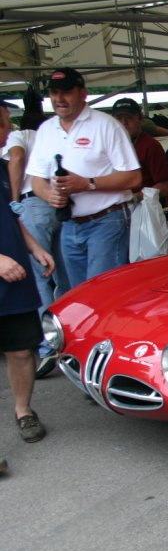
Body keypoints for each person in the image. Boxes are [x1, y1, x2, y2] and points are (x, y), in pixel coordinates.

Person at [26, 68, 141, 290]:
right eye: (54, 92)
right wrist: (50, 195)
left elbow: (134, 177)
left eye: (66, 92)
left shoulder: (106, 125)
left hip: (106, 220)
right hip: (68, 223)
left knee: (102, 293)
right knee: (78, 296)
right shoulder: (46, 130)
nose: (59, 98)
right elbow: (36, 180)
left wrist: (87, 183)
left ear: (83, 93)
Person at [1, 100, 56, 445]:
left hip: (16, 272)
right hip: (4, 266)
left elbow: (10, 216)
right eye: (1, 124)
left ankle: (24, 411)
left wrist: (35, 247)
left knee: (22, 350)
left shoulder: (1, 167)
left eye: (6, 123)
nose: (7, 131)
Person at [3, 109, 68, 379]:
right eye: (3, 124)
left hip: (34, 205)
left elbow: (16, 156)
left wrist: (14, 201)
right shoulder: (43, 137)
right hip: (51, 205)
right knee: (59, 277)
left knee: (42, 278)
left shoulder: (16, 142)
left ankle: (49, 343)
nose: (8, 129)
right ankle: (61, 340)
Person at [110, 98, 168, 201]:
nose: (124, 122)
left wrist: (134, 198)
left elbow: (165, 187)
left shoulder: (151, 146)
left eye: (128, 118)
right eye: (119, 118)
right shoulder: (110, 146)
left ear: (140, 118)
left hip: (142, 210)